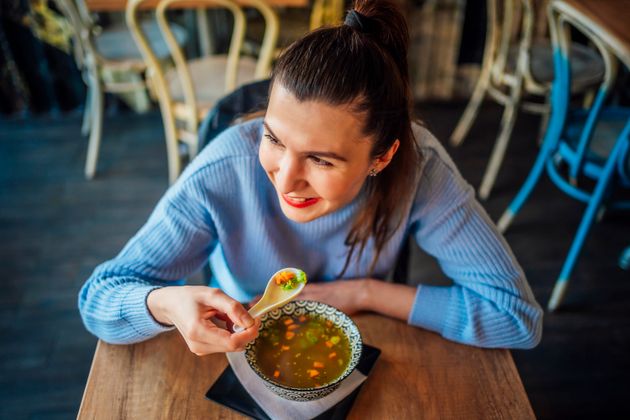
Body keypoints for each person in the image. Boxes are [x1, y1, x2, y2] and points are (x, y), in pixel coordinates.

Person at [79, 0, 542, 354]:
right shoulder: (223, 169)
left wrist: (362, 293)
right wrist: (166, 304)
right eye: (274, 139)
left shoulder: (423, 171)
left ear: (381, 157)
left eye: (322, 160)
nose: (284, 181)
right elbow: (99, 298)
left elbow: (517, 319)